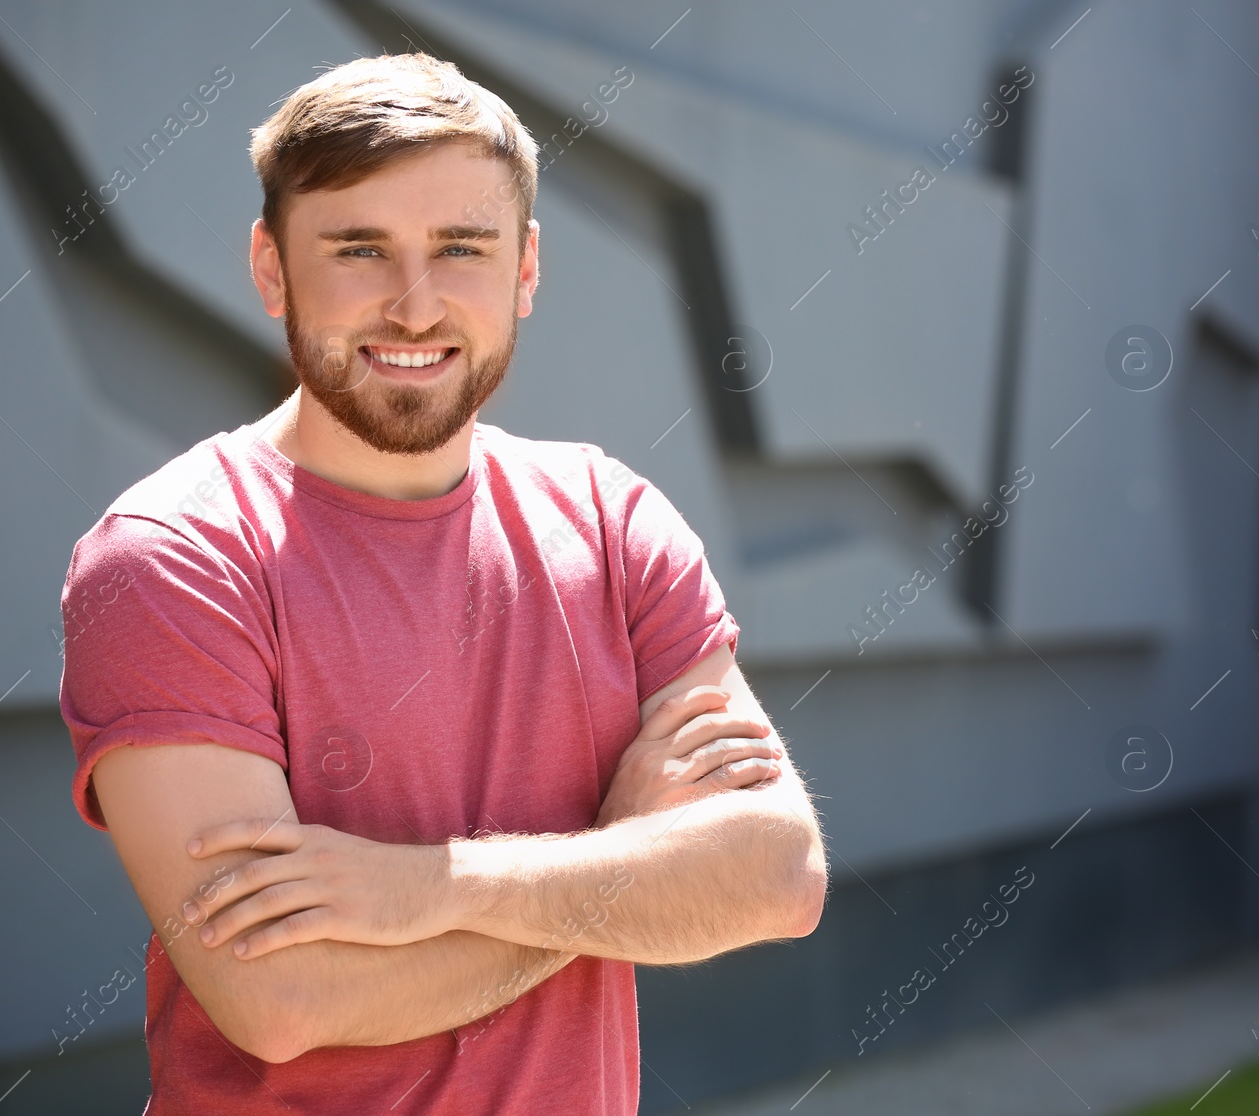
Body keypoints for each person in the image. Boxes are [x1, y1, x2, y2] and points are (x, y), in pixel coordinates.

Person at [59, 52, 826, 1116]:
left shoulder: (610, 522)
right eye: (359, 249)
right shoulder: (174, 556)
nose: (413, 307)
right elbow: (280, 997)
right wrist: (618, 865)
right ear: (271, 268)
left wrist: (422, 892)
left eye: (461, 248)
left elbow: (774, 875)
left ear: (526, 269)